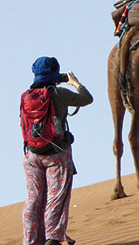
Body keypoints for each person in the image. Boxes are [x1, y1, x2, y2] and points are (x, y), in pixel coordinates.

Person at [22, 56, 93, 245]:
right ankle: (53, 237)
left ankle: (31, 240)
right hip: (56, 154)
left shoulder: (26, 97)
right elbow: (87, 99)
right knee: (56, 195)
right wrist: (75, 83)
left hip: (31, 155)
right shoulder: (59, 93)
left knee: (33, 199)